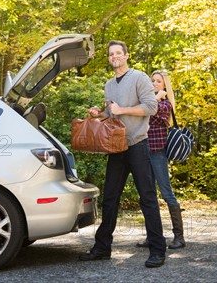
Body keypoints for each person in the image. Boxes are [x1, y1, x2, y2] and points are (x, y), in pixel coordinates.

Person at [79, 40, 167, 268]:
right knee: (109, 199)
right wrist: (99, 114)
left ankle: (158, 250)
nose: (114, 56)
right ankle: (102, 248)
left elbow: (151, 107)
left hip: (138, 144)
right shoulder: (109, 85)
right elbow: (112, 114)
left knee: (147, 198)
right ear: (109, 58)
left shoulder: (140, 78)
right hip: (116, 147)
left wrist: (122, 110)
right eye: (111, 54)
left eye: (118, 53)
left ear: (126, 55)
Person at [136, 70, 185, 249]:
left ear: (164, 85)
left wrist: (156, 97)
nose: (155, 83)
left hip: (157, 153)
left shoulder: (165, 104)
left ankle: (179, 237)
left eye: (158, 81)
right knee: (148, 196)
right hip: (142, 152)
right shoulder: (146, 100)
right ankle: (153, 236)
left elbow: (153, 111)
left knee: (166, 193)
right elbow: (139, 112)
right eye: (153, 80)